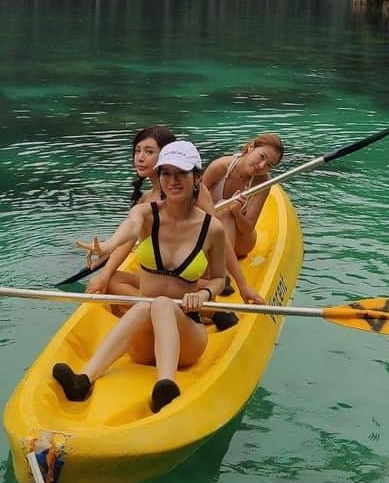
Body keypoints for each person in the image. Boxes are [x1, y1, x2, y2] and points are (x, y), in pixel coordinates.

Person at [54, 140, 227, 412]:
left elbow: (220, 278)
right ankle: (84, 380)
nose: (172, 181)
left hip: (187, 339)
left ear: (197, 177)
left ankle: (165, 386)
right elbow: (131, 227)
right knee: (148, 304)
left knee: (159, 303)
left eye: (180, 173)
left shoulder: (212, 229)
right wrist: (109, 246)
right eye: (165, 173)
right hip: (144, 342)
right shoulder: (146, 214)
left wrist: (204, 294)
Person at [88, 125, 263, 307]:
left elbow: (217, 235)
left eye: (148, 152)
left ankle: (202, 310)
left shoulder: (193, 190)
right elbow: (128, 236)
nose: (140, 157)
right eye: (137, 151)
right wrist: (107, 254)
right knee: (110, 280)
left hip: (193, 274)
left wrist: (243, 286)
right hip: (164, 275)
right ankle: (158, 307)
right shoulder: (146, 200)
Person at [203, 132, 284, 260]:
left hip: (242, 241)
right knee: (222, 209)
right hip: (211, 229)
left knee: (227, 211)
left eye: (269, 165)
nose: (261, 166)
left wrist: (236, 212)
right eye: (262, 156)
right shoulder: (219, 167)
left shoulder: (263, 183)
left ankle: (222, 271)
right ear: (251, 147)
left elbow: (248, 228)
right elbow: (192, 201)